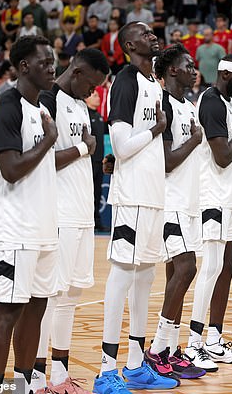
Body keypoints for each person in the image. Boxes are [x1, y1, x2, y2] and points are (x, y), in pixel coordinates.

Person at [93, 22, 178, 392]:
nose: (153, 36)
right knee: (123, 276)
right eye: (145, 34)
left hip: (153, 194)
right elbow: (122, 146)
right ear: (129, 44)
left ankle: (136, 365)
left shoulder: (152, 83)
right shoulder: (125, 82)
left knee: (145, 278)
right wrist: (157, 129)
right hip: (130, 198)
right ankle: (106, 371)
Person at [29, 49, 110, 394]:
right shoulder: (47, 100)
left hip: (81, 214)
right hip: (57, 214)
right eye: (92, 83)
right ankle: (34, 374)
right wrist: (83, 149)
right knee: (49, 295)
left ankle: (60, 372)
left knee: (72, 295)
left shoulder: (80, 105)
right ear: (77, 72)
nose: (94, 91)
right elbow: (40, 159)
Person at [0, 35, 58, 394]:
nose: (52, 67)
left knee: (36, 308)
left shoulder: (40, 107)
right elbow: (10, 169)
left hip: (42, 226)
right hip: (14, 228)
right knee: (8, 310)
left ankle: (22, 385)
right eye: (45, 62)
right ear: (24, 66)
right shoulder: (7, 105)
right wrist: (49, 139)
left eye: (54, 61)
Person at [184, 55, 232, 370]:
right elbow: (223, 156)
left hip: (230, 198)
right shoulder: (211, 102)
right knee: (210, 267)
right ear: (226, 74)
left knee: (225, 265)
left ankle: (213, 339)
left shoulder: (229, 104)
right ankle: (193, 344)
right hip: (212, 196)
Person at [143, 44, 206, 379]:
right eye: (188, 64)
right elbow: (165, 161)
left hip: (190, 200)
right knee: (186, 269)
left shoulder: (190, 105)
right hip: (171, 201)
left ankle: (170, 347)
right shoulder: (164, 102)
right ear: (170, 71)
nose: (194, 69)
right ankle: (156, 348)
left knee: (176, 275)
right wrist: (194, 141)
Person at [84, 88, 109, 232]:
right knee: (88, 193)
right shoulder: (85, 115)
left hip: (99, 161)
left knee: (97, 193)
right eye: (94, 95)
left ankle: (97, 220)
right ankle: (88, 220)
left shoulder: (99, 117)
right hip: (89, 161)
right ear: (86, 98)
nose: (98, 98)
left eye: (98, 96)